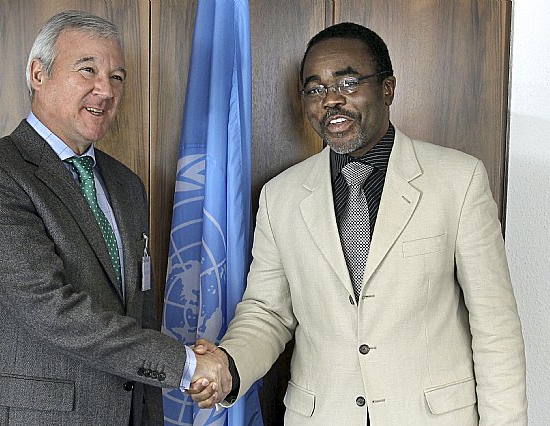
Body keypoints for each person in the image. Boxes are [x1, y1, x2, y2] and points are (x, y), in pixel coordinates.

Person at [189, 22, 528, 424]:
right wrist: (229, 364)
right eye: (315, 89)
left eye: (347, 83)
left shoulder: (458, 180)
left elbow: (495, 330)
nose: (331, 100)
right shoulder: (280, 195)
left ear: (387, 88)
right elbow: (267, 311)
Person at [0, 10, 228, 425]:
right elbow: (51, 310)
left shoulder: (125, 184)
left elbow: (139, 310)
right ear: (38, 74)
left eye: (117, 77)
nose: (105, 89)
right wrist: (187, 366)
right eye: (88, 70)